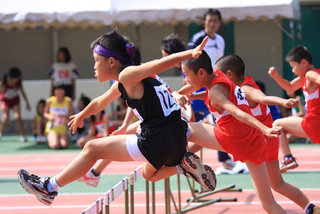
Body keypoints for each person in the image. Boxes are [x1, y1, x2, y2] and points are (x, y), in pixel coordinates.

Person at [17, 30, 216, 206]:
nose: (94, 66)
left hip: (157, 139)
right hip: (178, 136)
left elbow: (159, 64)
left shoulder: (128, 74)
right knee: (149, 174)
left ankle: (48, 188)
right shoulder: (124, 82)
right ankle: (181, 165)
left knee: (92, 149)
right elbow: (99, 102)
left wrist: (189, 54)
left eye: (96, 60)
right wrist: (81, 115)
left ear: (111, 61)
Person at [171, 49, 310, 213]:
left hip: (236, 139)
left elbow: (239, 112)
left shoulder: (216, 92)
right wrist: (177, 94)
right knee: (267, 203)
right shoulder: (218, 76)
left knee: (186, 128)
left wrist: (265, 128)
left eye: (186, 74)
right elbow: (191, 89)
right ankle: (186, 161)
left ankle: (180, 162)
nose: (186, 80)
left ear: (201, 72)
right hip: (253, 142)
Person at [216, 54, 319, 214]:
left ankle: (288, 159)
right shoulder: (240, 87)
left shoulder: (245, 89)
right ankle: (311, 208)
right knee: (277, 184)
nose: (217, 81)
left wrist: (282, 102)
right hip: (269, 139)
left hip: (260, 140)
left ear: (229, 75)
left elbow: (263, 98)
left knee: (267, 202)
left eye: (218, 76)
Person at [188, 9, 234, 170]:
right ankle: (181, 156)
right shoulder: (197, 38)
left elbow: (219, 63)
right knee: (193, 120)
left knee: (217, 119)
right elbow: (188, 60)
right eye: (209, 20)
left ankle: (224, 157)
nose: (212, 23)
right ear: (204, 22)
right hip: (197, 84)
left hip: (213, 85)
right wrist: (188, 83)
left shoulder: (220, 40)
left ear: (219, 23)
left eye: (215, 21)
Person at [269, 45, 320, 173]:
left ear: (303, 63)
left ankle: (288, 158)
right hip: (315, 123)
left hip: (313, 122)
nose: (292, 71)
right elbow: (290, 87)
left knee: (277, 124)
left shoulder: (310, 74)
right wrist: (276, 77)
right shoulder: (306, 77)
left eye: (293, 67)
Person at [0, 67, 30, 142]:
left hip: (15, 101)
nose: (18, 79)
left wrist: (27, 103)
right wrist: (1, 104)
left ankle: (22, 135)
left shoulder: (18, 83)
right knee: (6, 118)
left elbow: (23, 93)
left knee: (17, 117)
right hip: (5, 101)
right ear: (12, 77)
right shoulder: (5, 82)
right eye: (17, 78)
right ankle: (0, 133)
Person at [44, 85, 74, 149]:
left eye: (61, 89)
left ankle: (60, 138)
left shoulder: (68, 101)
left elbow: (73, 114)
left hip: (63, 127)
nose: (59, 91)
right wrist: (50, 117)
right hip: (53, 127)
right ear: (54, 91)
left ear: (64, 91)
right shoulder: (50, 101)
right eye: (57, 89)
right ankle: (50, 139)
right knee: (55, 145)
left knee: (64, 145)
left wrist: (64, 115)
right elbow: (45, 113)